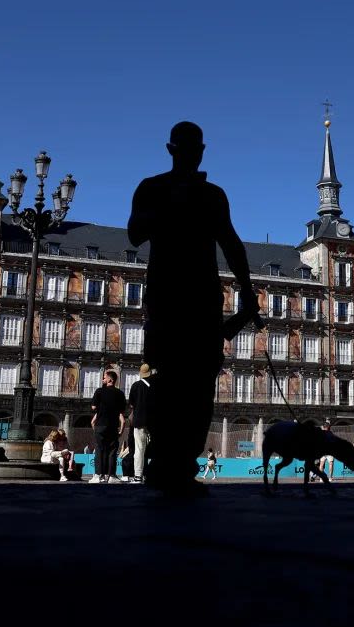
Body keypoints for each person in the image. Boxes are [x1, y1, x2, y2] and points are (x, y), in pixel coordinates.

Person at [127, 121, 258, 496]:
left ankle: (182, 465)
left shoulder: (214, 195)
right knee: (169, 381)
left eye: (194, 149)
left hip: (202, 298)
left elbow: (232, 243)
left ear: (202, 152)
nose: (190, 154)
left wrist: (247, 290)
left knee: (200, 382)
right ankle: (164, 462)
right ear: (172, 150)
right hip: (168, 297)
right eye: (184, 149)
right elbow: (134, 232)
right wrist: (173, 204)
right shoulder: (153, 188)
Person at [90, 370, 126, 483]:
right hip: (113, 426)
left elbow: (93, 407)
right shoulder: (120, 394)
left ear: (110, 379)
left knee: (99, 449)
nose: (102, 379)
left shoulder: (99, 391)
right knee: (112, 451)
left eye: (104, 377)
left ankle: (98, 475)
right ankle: (112, 476)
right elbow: (122, 410)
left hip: (101, 424)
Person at [127, 363, 154, 483]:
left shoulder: (136, 386)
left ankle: (138, 476)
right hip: (154, 421)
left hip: (139, 421)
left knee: (139, 449)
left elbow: (131, 404)